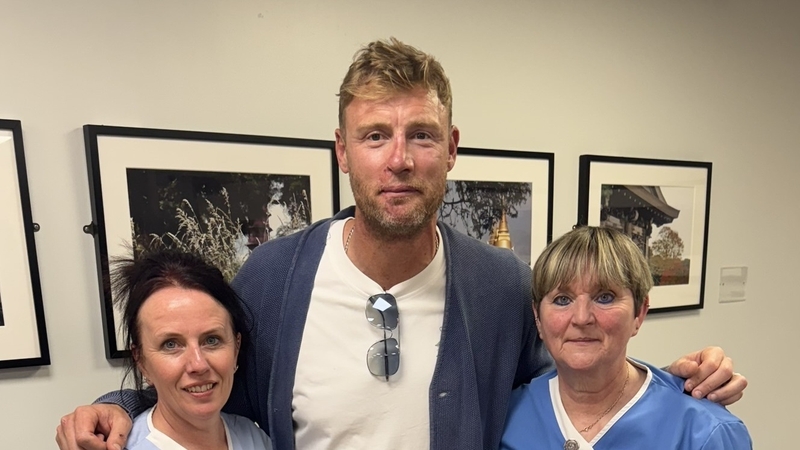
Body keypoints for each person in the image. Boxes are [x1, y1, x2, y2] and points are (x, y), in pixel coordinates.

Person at [56, 38, 747, 450]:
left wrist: (686, 382)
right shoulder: (275, 276)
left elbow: (577, 367)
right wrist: (119, 410)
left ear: (450, 150)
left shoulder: (496, 283)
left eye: (420, 135)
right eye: (375, 136)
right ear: (342, 152)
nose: (399, 160)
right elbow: (207, 389)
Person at [501, 227, 752, 449]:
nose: (581, 318)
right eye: (562, 300)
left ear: (639, 313)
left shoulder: (704, 431)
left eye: (604, 297)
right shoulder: (506, 415)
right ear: (538, 318)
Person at [62, 250, 272, 450]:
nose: (198, 364)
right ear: (141, 361)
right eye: (171, 344)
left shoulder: (255, 438)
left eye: (212, 340)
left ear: (236, 349)